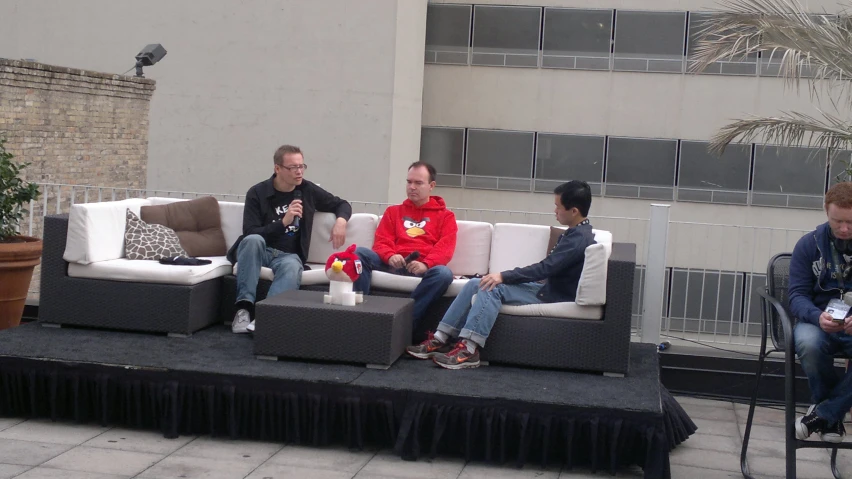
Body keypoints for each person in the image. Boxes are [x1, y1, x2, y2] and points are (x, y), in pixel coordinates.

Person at [407, 180, 595, 370]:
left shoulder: (578, 239)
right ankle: (440, 338)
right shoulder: (576, 233)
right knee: (475, 283)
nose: (555, 211)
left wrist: (503, 276)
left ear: (574, 211)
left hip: (553, 296)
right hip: (546, 289)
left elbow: (545, 269)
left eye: (558, 206)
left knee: (491, 287)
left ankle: (469, 350)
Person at [227, 144, 351, 334]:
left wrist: (341, 221)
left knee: (292, 265)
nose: (299, 172)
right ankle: (243, 310)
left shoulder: (307, 190)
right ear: (277, 168)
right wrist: (283, 222)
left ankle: (266, 317)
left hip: (288, 255)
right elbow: (250, 231)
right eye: (293, 167)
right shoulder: (257, 193)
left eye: (302, 166)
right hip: (260, 249)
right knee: (253, 240)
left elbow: (341, 204)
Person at [353, 162, 456, 329]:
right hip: (393, 263)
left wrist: (425, 264)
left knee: (444, 274)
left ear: (431, 186)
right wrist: (390, 255)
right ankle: (360, 313)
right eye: (409, 182)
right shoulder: (393, 212)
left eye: (418, 183)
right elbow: (381, 241)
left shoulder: (446, 216)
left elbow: (445, 249)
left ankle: (404, 322)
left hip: (423, 269)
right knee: (359, 254)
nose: (412, 187)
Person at [790, 182, 852, 443]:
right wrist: (817, 317)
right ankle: (832, 417)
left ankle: (823, 413)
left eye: (851, 222)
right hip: (817, 319)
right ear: (826, 212)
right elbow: (796, 295)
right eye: (838, 221)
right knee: (807, 342)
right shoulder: (808, 245)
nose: (845, 228)